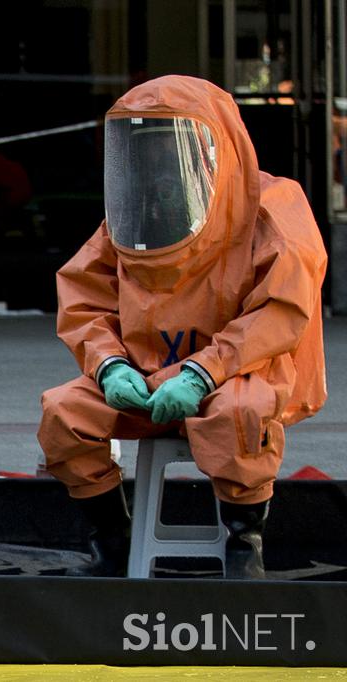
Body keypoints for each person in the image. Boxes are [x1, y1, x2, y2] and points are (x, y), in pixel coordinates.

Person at [38, 75, 327, 579]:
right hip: (143, 375)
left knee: (242, 414)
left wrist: (201, 373)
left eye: (172, 151)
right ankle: (112, 541)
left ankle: (244, 546)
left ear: (218, 148)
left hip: (237, 376)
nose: (160, 168)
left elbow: (280, 311)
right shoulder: (130, 217)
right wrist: (108, 365)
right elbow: (84, 297)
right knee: (64, 413)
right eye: (147, 154)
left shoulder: (275, 208)